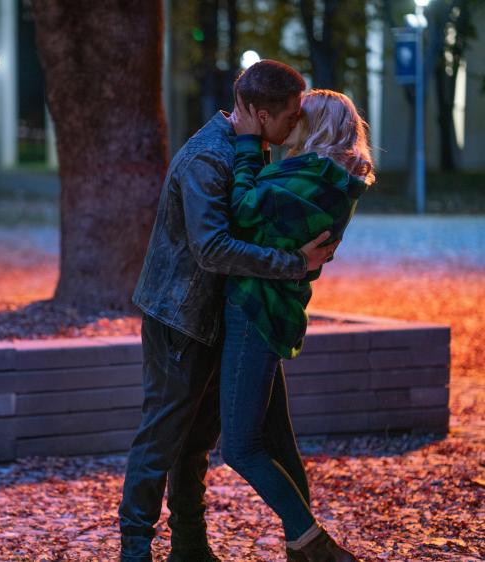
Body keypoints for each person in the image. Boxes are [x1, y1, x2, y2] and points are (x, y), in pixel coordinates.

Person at [119, 60, 337, 562]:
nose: (296, 124)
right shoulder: (209, 158)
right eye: (290, 117)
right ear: (261, 115)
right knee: (161, 438)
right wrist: (294, 263)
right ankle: (134, 549)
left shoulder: (247, 149)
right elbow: (211, 249)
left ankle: (190, 546)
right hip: (179, 318)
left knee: (195, 440)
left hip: (216, 316)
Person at [219, 89, 374, 562]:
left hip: (257, 310)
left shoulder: (313, 178)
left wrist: (249, 146)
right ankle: (300, 548)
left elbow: (243, 211)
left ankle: (316, 545)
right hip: (275, 309)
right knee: (278, 443)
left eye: (297, 116)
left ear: (315, 126)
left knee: (239, 448)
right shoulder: (330, 179)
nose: (289, 121)